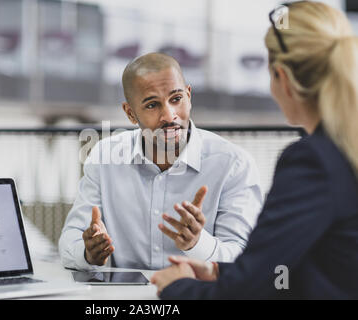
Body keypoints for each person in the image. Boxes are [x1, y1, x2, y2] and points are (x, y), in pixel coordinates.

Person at [151, 1, 358, 299]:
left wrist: (177, 287)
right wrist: (220, 272)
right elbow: (311, 263)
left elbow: (246, 292)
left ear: (282, 79)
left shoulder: (313, 160)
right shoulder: (343, 152)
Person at [58, 53, 263, 270]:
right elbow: (70, 239)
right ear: (130, 113)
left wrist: (197, 243)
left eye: (176, 99)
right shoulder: (105, 157)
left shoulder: (233, 164)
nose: (169, 115)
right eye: (152, 105)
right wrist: (88, 253)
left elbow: (245, 258)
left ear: (189, 96)